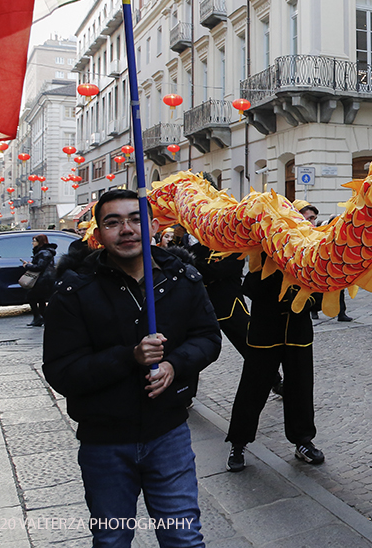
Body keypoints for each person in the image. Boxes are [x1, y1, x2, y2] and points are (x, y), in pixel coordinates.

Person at [42, 189, 221, 547]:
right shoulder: (75, 290)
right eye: (113, 222)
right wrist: (129, 357)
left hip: (168, 433)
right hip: (104, 442)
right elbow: (62, 371)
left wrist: (174, 364)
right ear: (99, 232)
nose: (126, 229)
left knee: (183, 537)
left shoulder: (183, 279)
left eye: (136, 219)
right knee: (112, 538)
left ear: (154, 226)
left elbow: (207, 339)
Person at [225, 202, 325, 472]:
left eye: (313, 219)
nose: (310, 223)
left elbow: (319, 299)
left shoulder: (315, 254)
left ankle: (303, 440)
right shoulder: (266, 250)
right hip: (264, 332)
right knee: (253, 387)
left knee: (301, 388)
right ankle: (238, 442)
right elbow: (250, 286)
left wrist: (308, 294)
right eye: (305, 218)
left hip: (298, 333)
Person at [22, 234, 56, 327]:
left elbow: (40, 266)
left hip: (43, 279)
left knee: (31, 296)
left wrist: (27, 266)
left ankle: (38, 317)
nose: (32, 243)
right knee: (40, 299)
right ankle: (42, 318)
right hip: (44, 278)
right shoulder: (44, 252)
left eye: (34, 241)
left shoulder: (43, 252)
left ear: (39, 242)